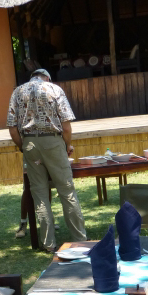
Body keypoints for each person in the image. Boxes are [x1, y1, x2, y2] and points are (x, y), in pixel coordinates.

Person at [8, 68, 87, 252]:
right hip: (53, 142)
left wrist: (23, 147)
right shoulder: (54, 89)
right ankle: (80, 238)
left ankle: (48, 244)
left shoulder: (17, 92)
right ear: (47, 78)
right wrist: (67, 145)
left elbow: (12, 129)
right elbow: (66, 126)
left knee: (40, 195)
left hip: (29, 144)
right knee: (67, 191)